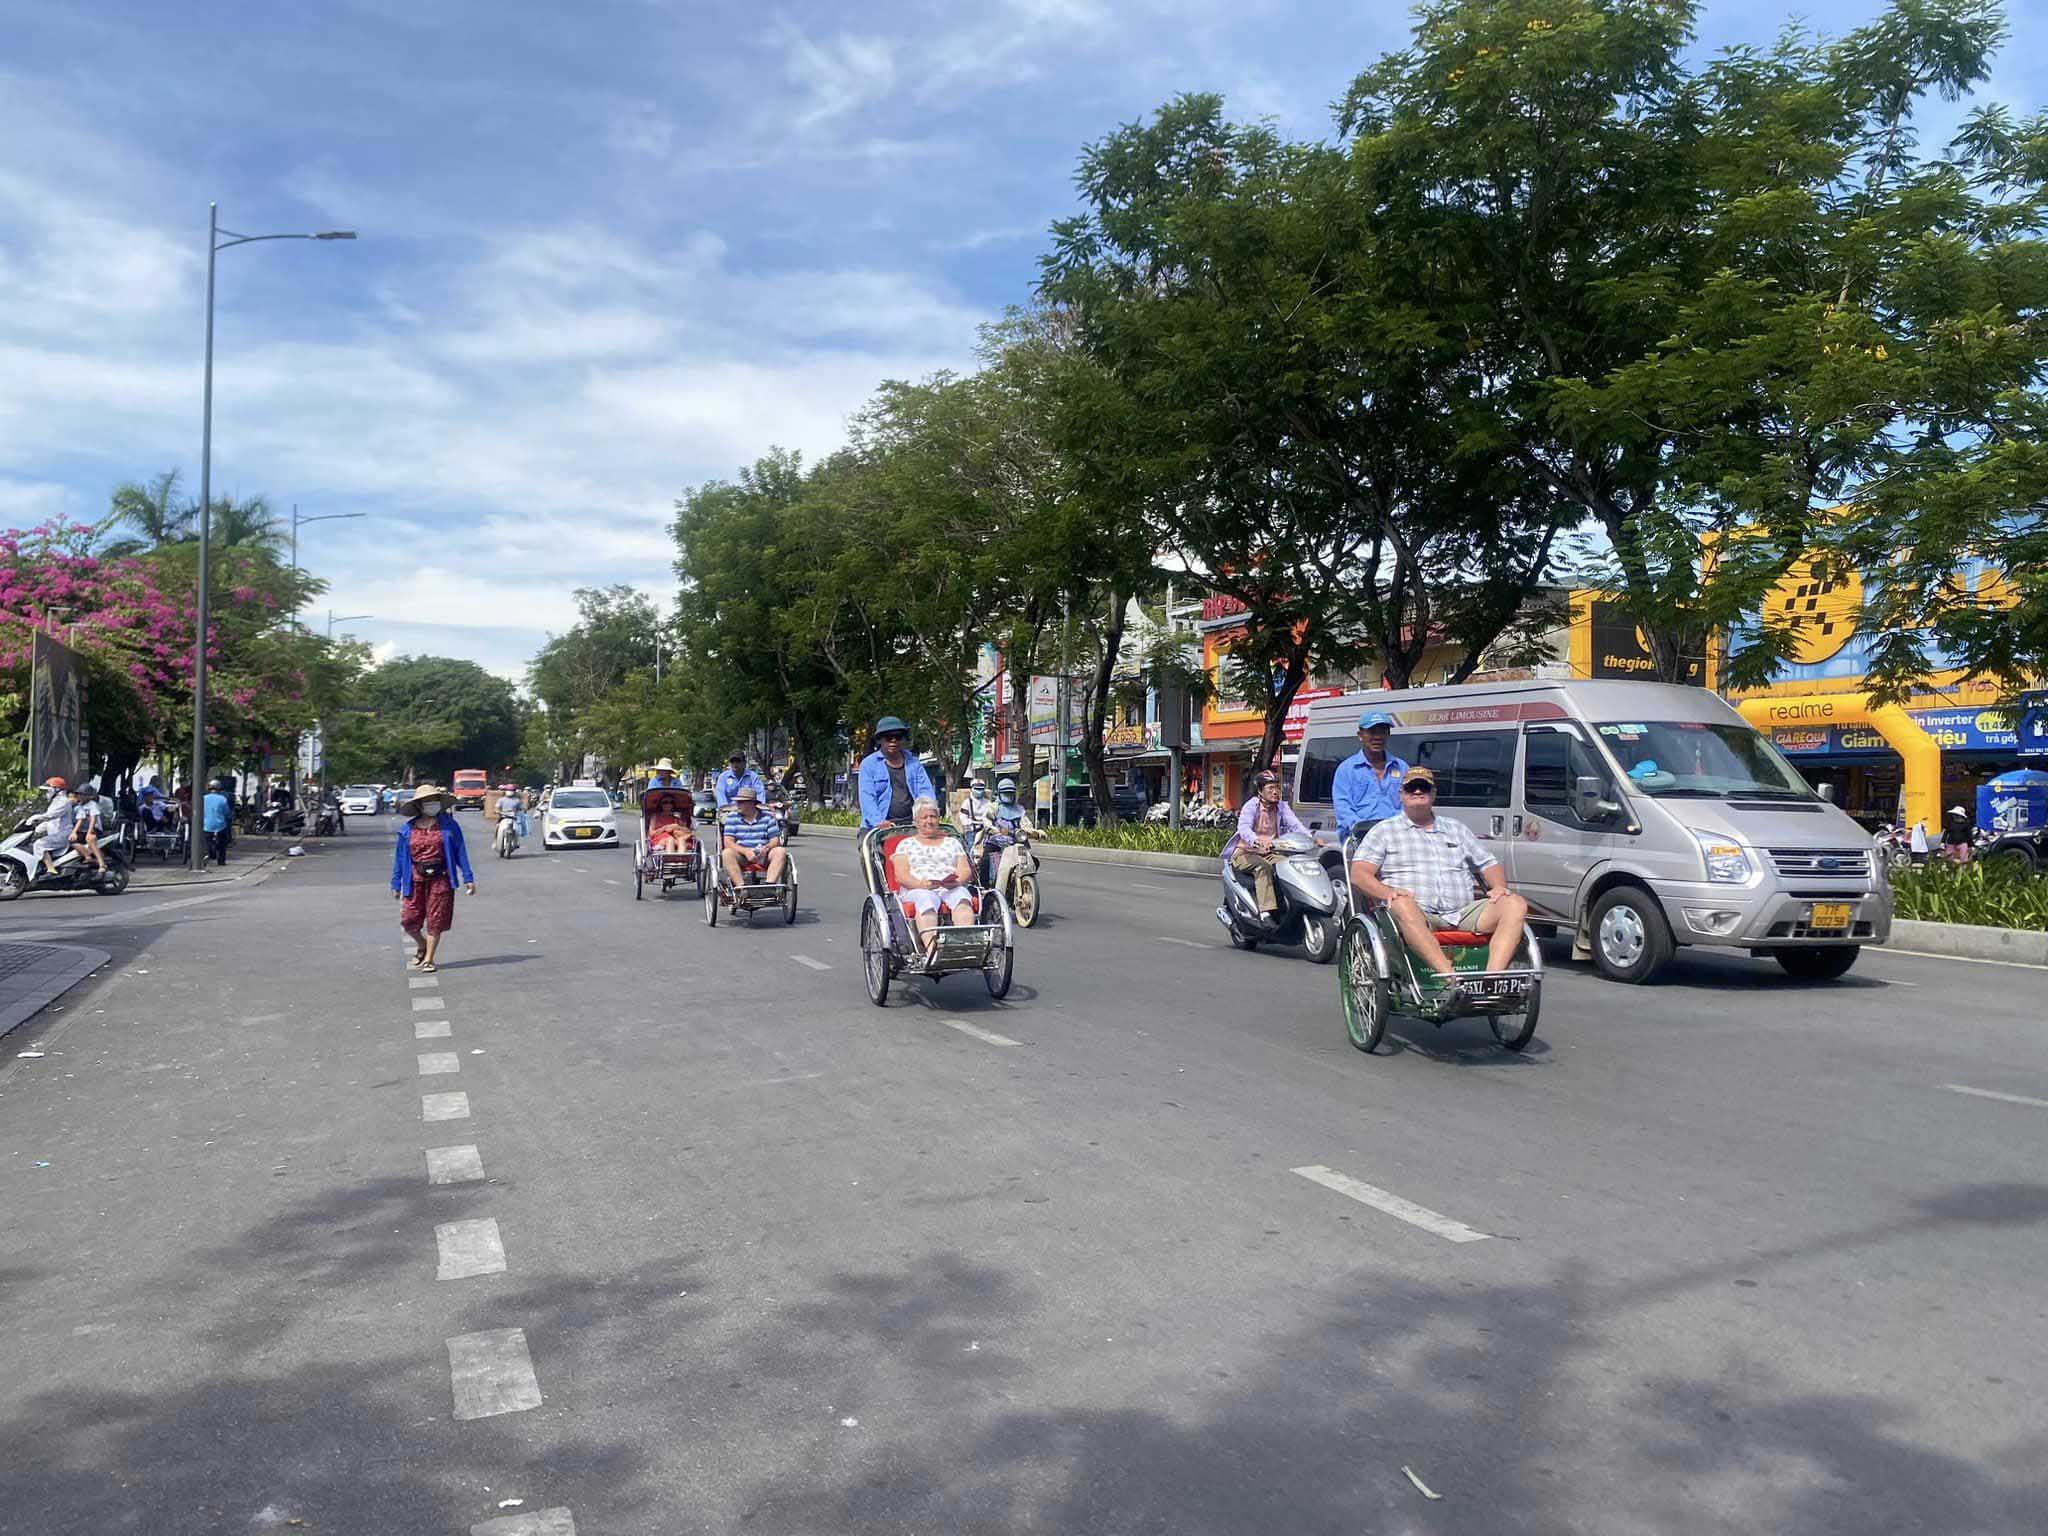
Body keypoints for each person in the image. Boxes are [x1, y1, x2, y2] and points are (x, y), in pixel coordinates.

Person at [1351, 766, 1530, 979]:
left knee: (1514, 903)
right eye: (1412, 788)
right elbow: (1359, 874)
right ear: (1402, 795)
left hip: (1462, 912)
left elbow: (1488, 863)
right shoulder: (1384, 831)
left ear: (1433, 793)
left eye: (1423, 787)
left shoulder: (1456, 828)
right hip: (1416, 912)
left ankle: (1491, 979)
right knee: (1401, 903)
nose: (1418, 792)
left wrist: (1499, 887)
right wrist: (1387, 892)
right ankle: (1450, 978)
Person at [391, 784, 475, 972]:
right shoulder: (407, 829)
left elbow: (460, 851)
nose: (432, 805)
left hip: (441, 878)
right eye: (427, 802)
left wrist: (468, 877)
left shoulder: (449, 826)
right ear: (419, 806)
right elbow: (400, 858)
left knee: (436, 919)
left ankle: (429, 958)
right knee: (408, 920)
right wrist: (396, 883)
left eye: (434, 802)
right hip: (414, 879)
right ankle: (421, 945)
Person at [890, 796, 975, 955]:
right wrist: (922, 885)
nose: (929, 821)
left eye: (933, 816)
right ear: (916, 821)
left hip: (949, 886)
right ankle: (932, 950)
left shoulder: (952, 843)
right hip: (917, 888)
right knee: (926, 899)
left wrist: (956, 882)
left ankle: (964, 946)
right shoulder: (906, 845)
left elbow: (965, 870)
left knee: (962, 896)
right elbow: (901, 876)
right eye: (924, 817)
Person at [1223, 769, 1312, 917]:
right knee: (1263, 868)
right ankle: (1266, 912)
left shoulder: (1282, 807)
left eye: (1277, 787)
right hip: (1245, 853)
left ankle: (1290, 905)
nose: (1276, 791)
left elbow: (1295, 825)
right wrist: (1256, 841)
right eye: (1271, 788)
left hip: (1271, 852)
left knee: (1291, 866)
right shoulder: (1251, 806)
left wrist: (1311, 838)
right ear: (1260, 791)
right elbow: (1243, 828)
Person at [1331, 711, 1408, 839]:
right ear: (1360, 735)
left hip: (1395, 838)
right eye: (1372, 732)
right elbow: (1343, 808)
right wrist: (1363, 829)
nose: (1378, 737)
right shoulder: (1346, 769)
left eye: (1382, 731)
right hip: (1359, 839)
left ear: (1388, 734)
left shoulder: (1402, 767)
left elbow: (1408, 803)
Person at [857, 716, 935, 828]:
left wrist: (928, 816)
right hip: (877, 826)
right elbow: (867, 798)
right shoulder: (868, 765)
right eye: (889, 737)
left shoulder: (914, 763)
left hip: (911, 825)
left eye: (898, 737)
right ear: (879, 739)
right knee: (872, 845)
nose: (893, 740)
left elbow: (926, 792)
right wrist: (878, 822)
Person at [720, 785, 787, 886]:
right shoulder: (732, 817)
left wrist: (766, 848)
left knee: (780, 851)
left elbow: (775, 840)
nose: (737, 805)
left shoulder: (768, 817)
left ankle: (769, 886)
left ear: (751, 803)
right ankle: (741, 888)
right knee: (727, 853)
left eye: (740, 802)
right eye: (737, 802)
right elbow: (728, 842)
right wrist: (746, 852)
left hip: (764, 854)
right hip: (741, 855)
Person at [29, 776, 74, 877]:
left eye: (48, 791)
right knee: (33, 843)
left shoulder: (64, 802)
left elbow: (52, 815)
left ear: (56, 790)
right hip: (55, 834)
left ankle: (51, 870)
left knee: (39, 844)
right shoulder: (55, 802)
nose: (46, 793)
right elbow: (50, 821)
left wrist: (36, 817)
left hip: (63, 835)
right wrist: (35, 829)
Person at [68, 782, 107, 872]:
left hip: (94, 829)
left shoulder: (92, 805)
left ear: (89, 796)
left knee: (90, 839)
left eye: (83, 794)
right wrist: (74, 832)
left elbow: (93, 819)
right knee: (71, 841)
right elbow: (80, 820)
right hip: (84, 830)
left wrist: (89, 832)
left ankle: (102, 864)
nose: (80, 796)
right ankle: (88, 856)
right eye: (79, 794)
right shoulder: (80, 806)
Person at [201, 781, 232, 868]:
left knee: (207, 841)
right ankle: (221, 860)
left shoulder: (204, 798)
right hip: (220, 825)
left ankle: (210, 854)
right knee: (222, 843)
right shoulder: (223, 799)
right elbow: (227, 812)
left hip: (206, 824)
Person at [493, 785, 524, 853]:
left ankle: (516, 843)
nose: (510, 792)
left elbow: (522, 807)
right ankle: (495, 842)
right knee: (498, 828)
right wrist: (497, 811)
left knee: (516, 830)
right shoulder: (501, 800)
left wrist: (523, 809)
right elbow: (496, 807)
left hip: (513, 818)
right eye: (508, 790)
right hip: (503, 817)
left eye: (511, 790)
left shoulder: (517, 800)